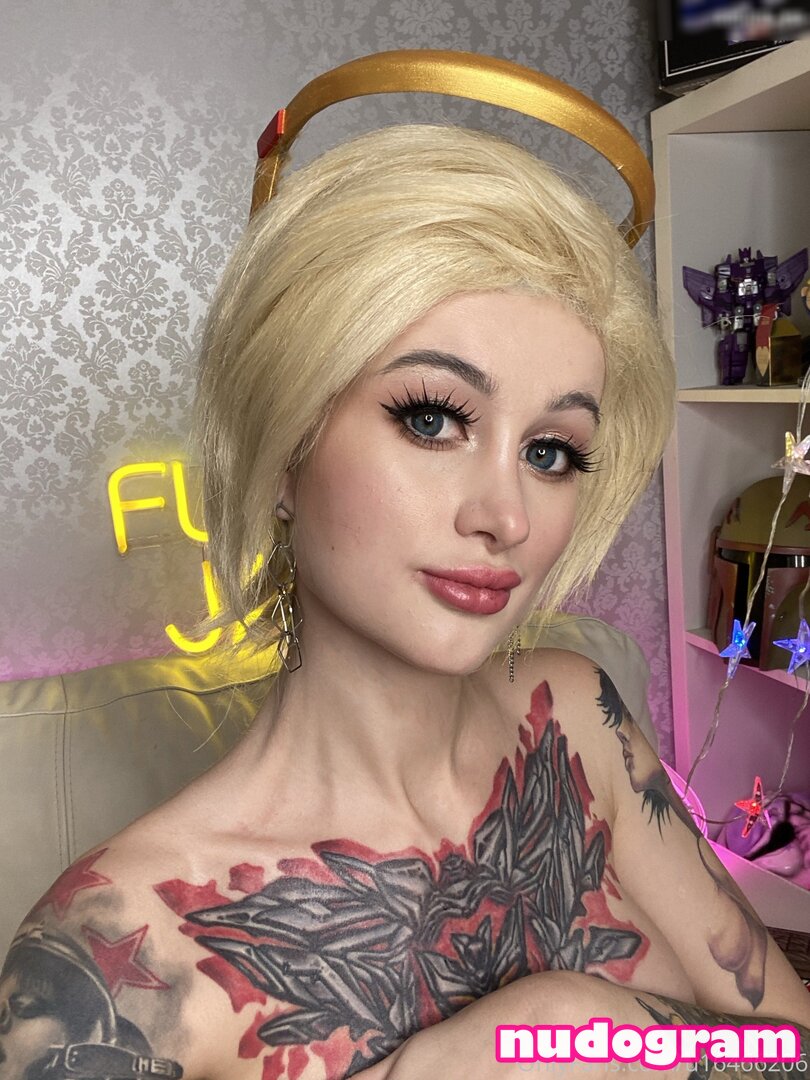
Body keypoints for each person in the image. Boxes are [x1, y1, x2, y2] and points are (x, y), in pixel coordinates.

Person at [3, 50, 808, 1080]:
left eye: (551, 451)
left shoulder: (576, 716)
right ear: (284, 447)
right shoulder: (118, 965)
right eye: (432, 419)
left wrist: (574, 1027)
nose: (506, 514)